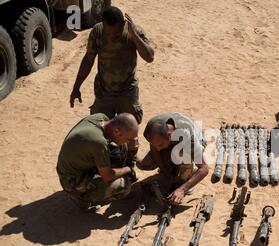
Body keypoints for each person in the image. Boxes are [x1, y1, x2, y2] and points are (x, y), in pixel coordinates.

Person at [69, 6, 154, 158]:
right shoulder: (98, 31)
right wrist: (76, 86)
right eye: (109, 32)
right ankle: (104, 163)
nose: (112, 36)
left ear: (122, 23)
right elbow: (89, 59)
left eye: (116, 33)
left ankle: (130, 162)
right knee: (99, 131)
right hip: (104, 92)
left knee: (129, 133)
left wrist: (134, 35)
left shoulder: (134, 31)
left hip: (127, 92)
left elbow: (149, 57)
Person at [57, 113, 139, 210]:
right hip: (72, 179)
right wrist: (128, 169)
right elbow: (108, 176)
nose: (128, 141)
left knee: (122, 147)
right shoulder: (99, 142)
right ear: (117, 131)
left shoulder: (101, 118)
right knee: (123, 186)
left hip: (81, 163)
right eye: (127, 139)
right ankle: (81, 197)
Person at [137, 112, 209, 205]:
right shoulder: (151, 129)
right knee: (144, 164)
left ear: (170, 135)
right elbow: (155, 150)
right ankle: (171, 166)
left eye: (160, 145)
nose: (158, 148)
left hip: (190, 139)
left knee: (183, 157)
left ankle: (187, 176)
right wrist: (166, 173)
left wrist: (182, 189)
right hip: (171, 142)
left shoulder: (186, 134)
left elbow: (204, 169)